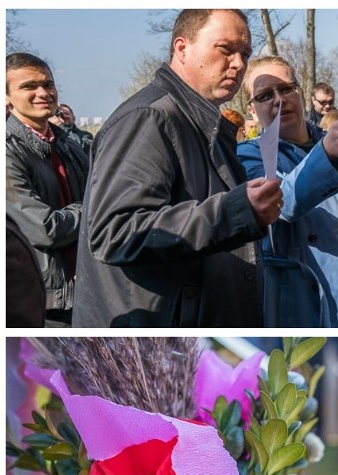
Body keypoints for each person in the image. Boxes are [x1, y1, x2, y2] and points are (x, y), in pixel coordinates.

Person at [73, 9, 281, 327]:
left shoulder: (206, 125)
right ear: (182, 48)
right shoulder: (150, 118)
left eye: (245, 54)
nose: (239, 64)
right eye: (225, 49)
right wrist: (235, 211)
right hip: (156, 346)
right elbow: (115, 231)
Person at [237, 55, 338, 328]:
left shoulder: (335, 142)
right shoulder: (251, 155)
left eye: (287, 88)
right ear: (252, 110)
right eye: (265, 95)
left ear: (300, 93)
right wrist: (326, 155)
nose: (279, 99)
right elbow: (281, 205)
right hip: (314, 306)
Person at [6, 52, 89, 327]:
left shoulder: (70, 145)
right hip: (47, 303)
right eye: (28, 86)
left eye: (48, 84)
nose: (43, 93)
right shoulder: (6, 153)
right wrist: (93, 210)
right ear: (6, 97)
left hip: (88, 292)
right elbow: (45, 228)